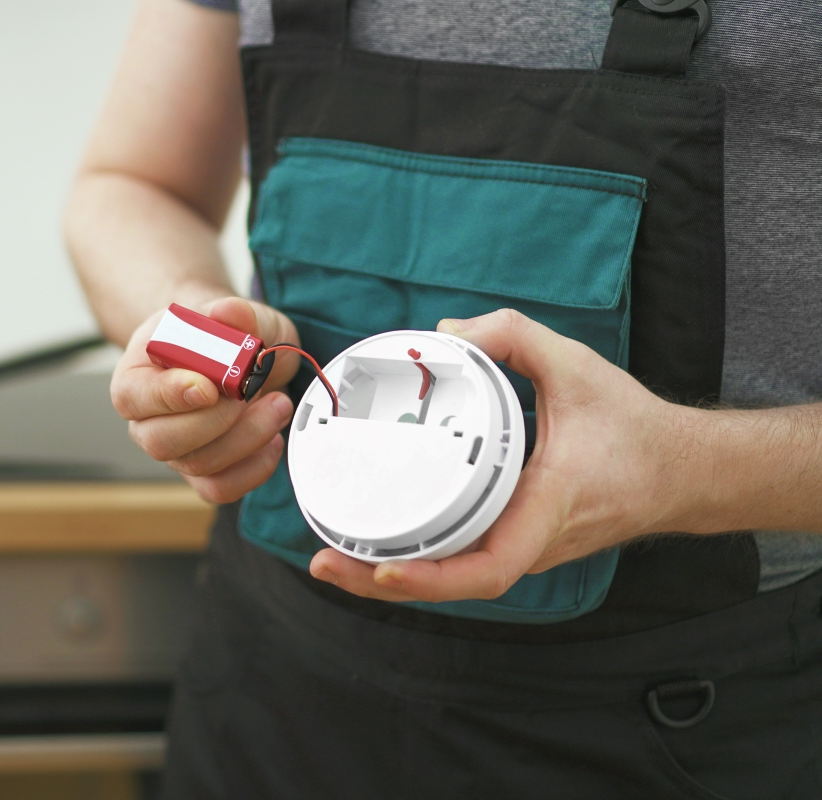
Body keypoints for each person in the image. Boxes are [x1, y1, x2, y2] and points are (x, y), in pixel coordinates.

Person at [65, 0, 822, 796]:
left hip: (676, 723)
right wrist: (190, 324)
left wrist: (685, 469)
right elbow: (132, 185)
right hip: (273, 684)